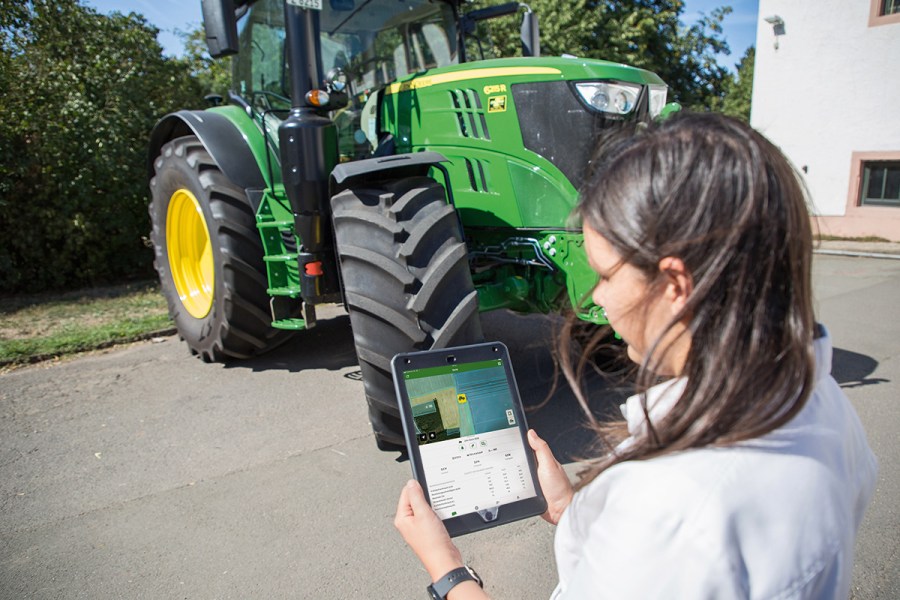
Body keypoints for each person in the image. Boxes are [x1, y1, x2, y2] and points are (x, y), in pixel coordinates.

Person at [394, 112, 877, 599]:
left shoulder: (668, 505)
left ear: (674, 285)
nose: (594, 300)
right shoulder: (824, 406)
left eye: (604, 275)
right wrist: (569, 508)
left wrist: (448, 571)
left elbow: (659, 550)